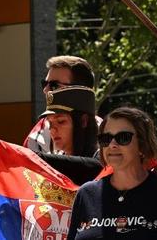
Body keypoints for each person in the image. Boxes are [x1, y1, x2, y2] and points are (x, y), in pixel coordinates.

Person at [68, 107, 157, 239]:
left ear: (142, 145)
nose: (112, 144)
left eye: (123, 137)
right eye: (106, 138)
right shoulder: (86, 194)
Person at [27, 55, 102, 185]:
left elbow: (97, 167)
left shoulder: (108, 136)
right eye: (44, 84)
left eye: (54, 85)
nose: (46, 91)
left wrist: (32, 158)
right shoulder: (37, 134)